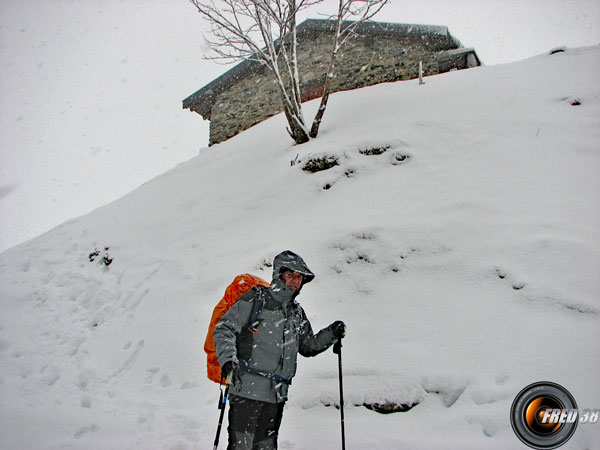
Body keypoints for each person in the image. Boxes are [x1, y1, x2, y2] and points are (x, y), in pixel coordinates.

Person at [213, 250, 346, 450]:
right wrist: (228, 360)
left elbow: (308, 346)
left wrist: (331, 334)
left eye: (299, 277)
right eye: (291, 275)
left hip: (276, 396)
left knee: (266, 447)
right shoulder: (256, 299)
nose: (295, 281)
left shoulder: (296, 313)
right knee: (242, 447)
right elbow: (224, 329)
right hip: (246, 391)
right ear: (279, 274)